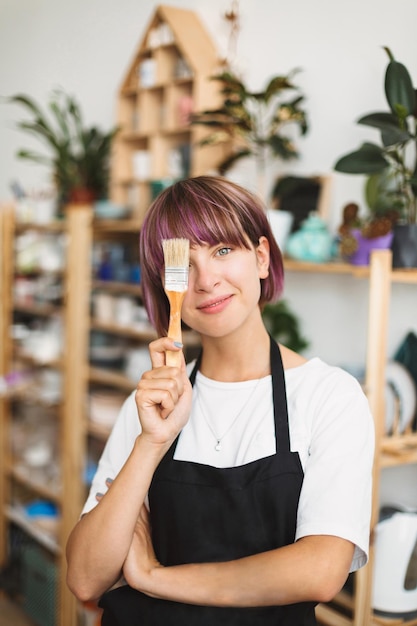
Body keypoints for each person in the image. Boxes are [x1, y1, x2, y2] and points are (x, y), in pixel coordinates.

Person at [66, 176, 375, 625]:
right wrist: (151, 442)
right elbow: (86, 578)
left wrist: (153, 577)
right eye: (184, 265)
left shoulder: (328, 396)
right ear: (166, 284)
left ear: (263, 259)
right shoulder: (154, 403)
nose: (206, 280)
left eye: (223, 250)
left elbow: (321, 572)